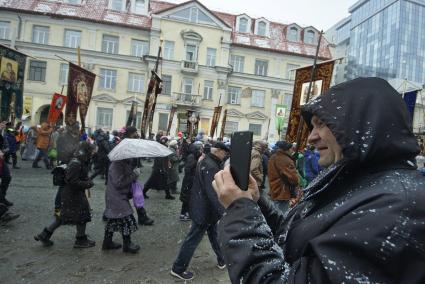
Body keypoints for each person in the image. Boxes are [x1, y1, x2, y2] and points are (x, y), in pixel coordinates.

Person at [212, 77, 425, 283]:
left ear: (362, 123)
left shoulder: (395, 207)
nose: (311, 137)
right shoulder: (355, 180)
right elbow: (295, 238)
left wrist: (239, 209)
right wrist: (254, 202)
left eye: (322, 124)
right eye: (312, 126)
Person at [170, 142, 229, 281]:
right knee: (192, 240)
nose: (226, 155)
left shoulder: (206, 161)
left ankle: (222, 259)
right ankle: (178, 268)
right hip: (204, 210)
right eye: (225, 153)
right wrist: (224, 212)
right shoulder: (211, 165)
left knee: (214, 235)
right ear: (219, 151)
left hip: (203, 208)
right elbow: (213, 192)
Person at [34, 142, 96, 248]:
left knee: (63, 216)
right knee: (82, 214)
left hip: (72, 194)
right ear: (87, 151)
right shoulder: (76, 163)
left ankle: (45, 235)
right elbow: (72, 181)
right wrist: (88, 184)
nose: (94, 153)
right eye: (92, 150)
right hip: (73, 194)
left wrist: (87, 179)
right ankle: (80, 240)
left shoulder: (81, 160)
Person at [103, 156, 141, 253]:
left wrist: (133, 173)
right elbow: (118, 183)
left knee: (113, 220)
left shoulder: (124, 162)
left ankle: (107, 242)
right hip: (116, 197)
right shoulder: (116, 165)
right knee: (126, 219)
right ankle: (127, 245)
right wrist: (134, 175)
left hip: (118, 196)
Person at [267, 140, 299, 213]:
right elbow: (293, 178)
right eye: (291, 149)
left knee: (275, 212)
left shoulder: (274, 156)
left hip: (275, 188)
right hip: (282, 191)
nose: (292, 150)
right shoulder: (284, 159)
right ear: (287, 149)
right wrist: (296, 181)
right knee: (281, 215)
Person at [179, 142, 203, 221]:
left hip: (191, 181)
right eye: (200, 149)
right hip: (188, 181)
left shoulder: (195, 156)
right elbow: (188, 169)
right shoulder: (191, 157)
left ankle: (187, 212)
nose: (201, 150)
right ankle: (183, 214)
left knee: (189, 198)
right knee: (186, 198)